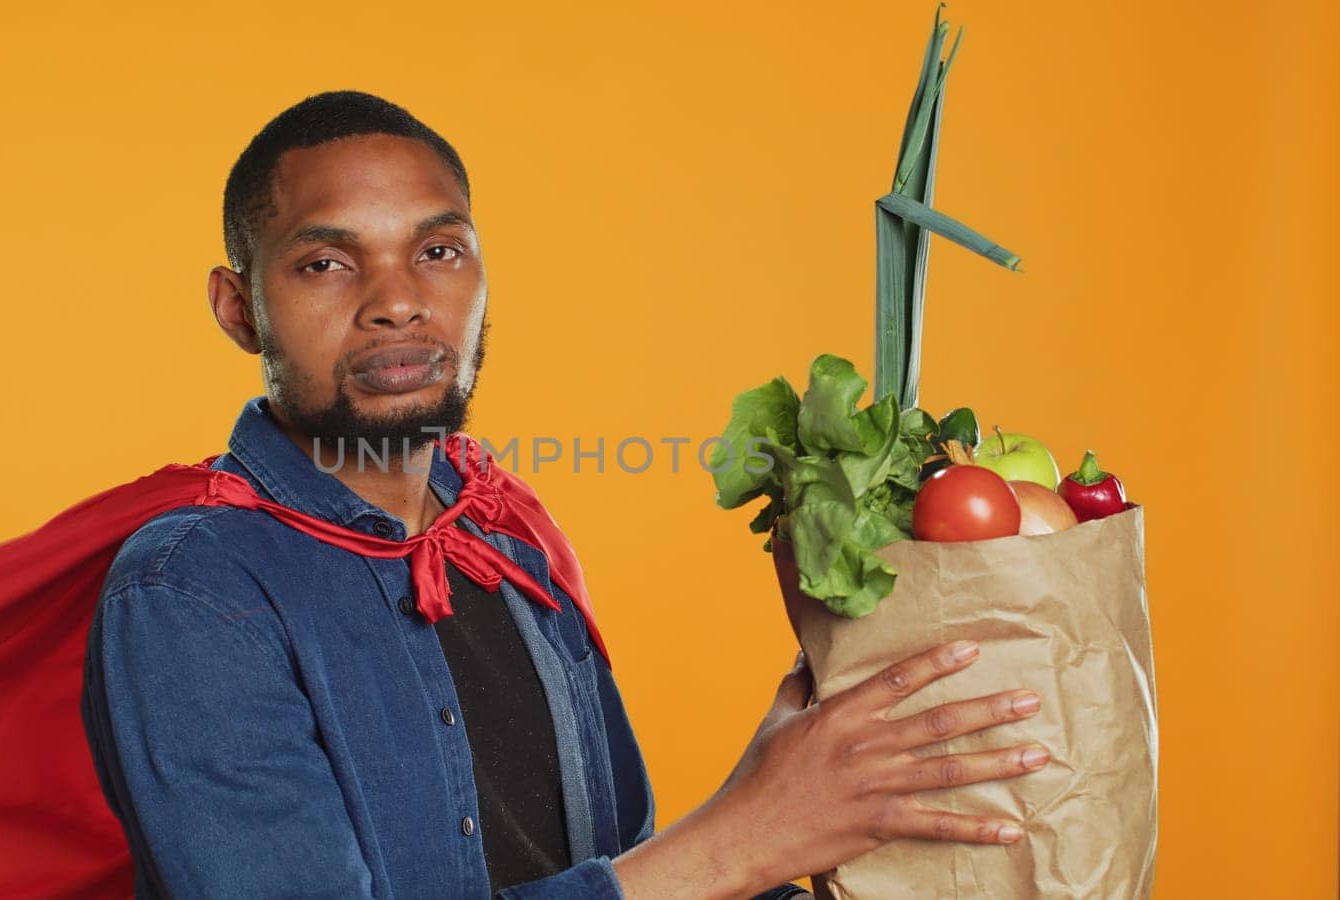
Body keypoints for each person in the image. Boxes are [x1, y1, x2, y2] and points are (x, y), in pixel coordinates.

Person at [78, 90, 1050, 899]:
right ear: (238, 305)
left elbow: (627, 871)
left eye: (439, 250)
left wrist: (819, 809)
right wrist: (744, 835)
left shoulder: (506, 540)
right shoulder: (190, 593)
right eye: (326, 262)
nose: (397, 297)